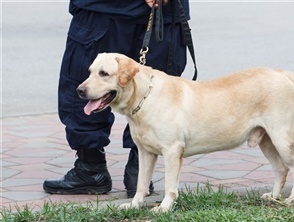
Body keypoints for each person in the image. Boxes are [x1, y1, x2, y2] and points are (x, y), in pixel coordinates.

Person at [43, 0, 192, 198]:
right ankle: (93, 167)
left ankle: (137, 174)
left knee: (158, 96)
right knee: (87, 87)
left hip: (153, 12)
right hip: (103, 10)